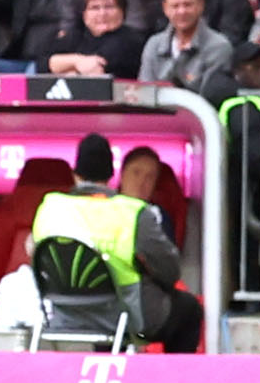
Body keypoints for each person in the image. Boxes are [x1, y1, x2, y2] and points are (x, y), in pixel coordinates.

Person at [29, 131, 202, 348]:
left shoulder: (49, 207)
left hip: (63, 316)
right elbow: (170, 271)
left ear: (75, 174)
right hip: (124, 317)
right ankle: (173, 381)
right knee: (189, 309)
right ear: (112, 175)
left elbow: (36, 258)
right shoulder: (133, 212)